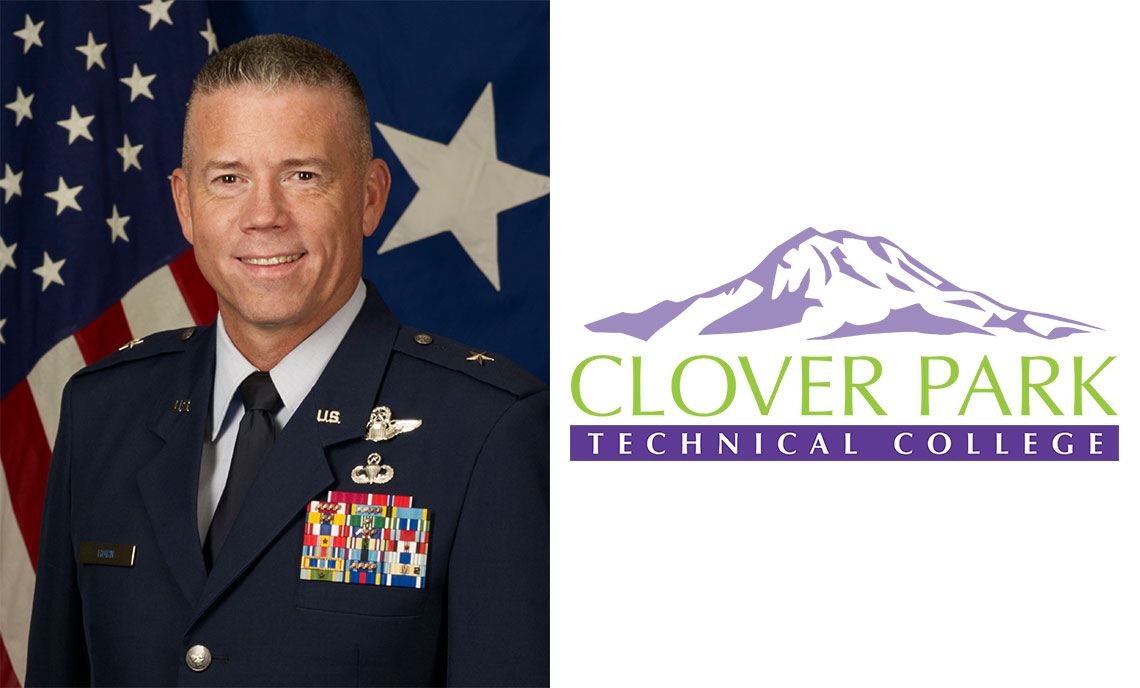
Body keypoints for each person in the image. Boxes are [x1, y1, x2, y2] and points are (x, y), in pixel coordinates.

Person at [27, 34, 548, 687]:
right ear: (186, 205)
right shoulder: (103, 411)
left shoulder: (486, 431)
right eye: (229, 179)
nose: (264, 216)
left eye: (303, 175)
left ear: (369, 196)